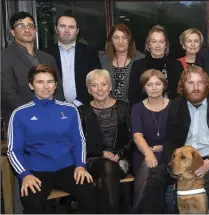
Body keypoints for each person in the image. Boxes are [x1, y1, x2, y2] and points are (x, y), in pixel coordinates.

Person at [139, 65, 209, 214]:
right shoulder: (177, 105)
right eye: (190, 83)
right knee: (154, 179)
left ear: (207, 84)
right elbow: (170, 141)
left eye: (200, 82)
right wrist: (172, 165)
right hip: (184, 158)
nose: (196, 87)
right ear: (182, 86)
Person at [7, 64, 96, 213]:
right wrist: (25, 174)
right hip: (36, 171)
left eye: (50, 82)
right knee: (33, 204)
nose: (46, 87)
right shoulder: (20, 114)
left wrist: (80, 165)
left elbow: (78, 140)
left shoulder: (69, 109)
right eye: (40, 82)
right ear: (31, 85)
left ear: (55, 85)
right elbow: (13, 150)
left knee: (91, 195)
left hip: (68, 168)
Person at [78, 69, 132, 213]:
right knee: (106, 167)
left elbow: (132, 137)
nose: (100, 89)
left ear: (110, 87)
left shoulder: (124, 108)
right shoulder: (81, 111)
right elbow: (79, 141)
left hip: (120, 159)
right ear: (89, 89)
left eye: (104, 84)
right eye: (94, 85)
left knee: (104, 178)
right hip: (93, 159)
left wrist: (119, 154)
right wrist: (102, 153)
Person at [2, 12, 64, 120]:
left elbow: (58, 88)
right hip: (21, 118)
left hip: (52, 117)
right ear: (12, 32)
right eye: (20, 26)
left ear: (35, 30)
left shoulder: (48, 58)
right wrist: (35, 113)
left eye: (30, 26)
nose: (27, 30)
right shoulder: (4, 57)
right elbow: (8, 94)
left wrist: (53, 110)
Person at [130, 69, 171, 211]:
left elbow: (179, 136)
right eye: (149, 84)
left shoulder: (175, 106)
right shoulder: (137, 108)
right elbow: (137, 136)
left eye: (157, 84)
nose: (154, 88)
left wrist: (164, 147)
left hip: (168, 153)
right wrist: (148, 153)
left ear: (164, 86)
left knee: (154, 176)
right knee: (150, 171)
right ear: (144, 87)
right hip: (143, 152)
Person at [46, 12, 102, 107]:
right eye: (62, 26)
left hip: (85, 107)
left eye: (71, 27)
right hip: (54, 107)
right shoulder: (47, 54)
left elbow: (96, 80)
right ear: (56, 29)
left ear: (77, 31)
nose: (67, 30)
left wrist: (77, 103)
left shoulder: (90, 52)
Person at [129, 25, 183, 105]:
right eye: (154, 41)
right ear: (149, 45)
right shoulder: (138, 65)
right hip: (145, 112)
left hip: (172, 112)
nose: (158, 46)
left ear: (166, 45)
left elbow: (181, 94)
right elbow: (132, 96)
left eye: (161, 42)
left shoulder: (176, 65)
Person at [99, 23, 145, 102]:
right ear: (111, 40)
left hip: (133, 108)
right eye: (116, 37)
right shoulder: (102, 58)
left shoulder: (141, 59)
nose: (120, 41)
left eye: (124, 37)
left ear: (129, 39)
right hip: (108, 107)